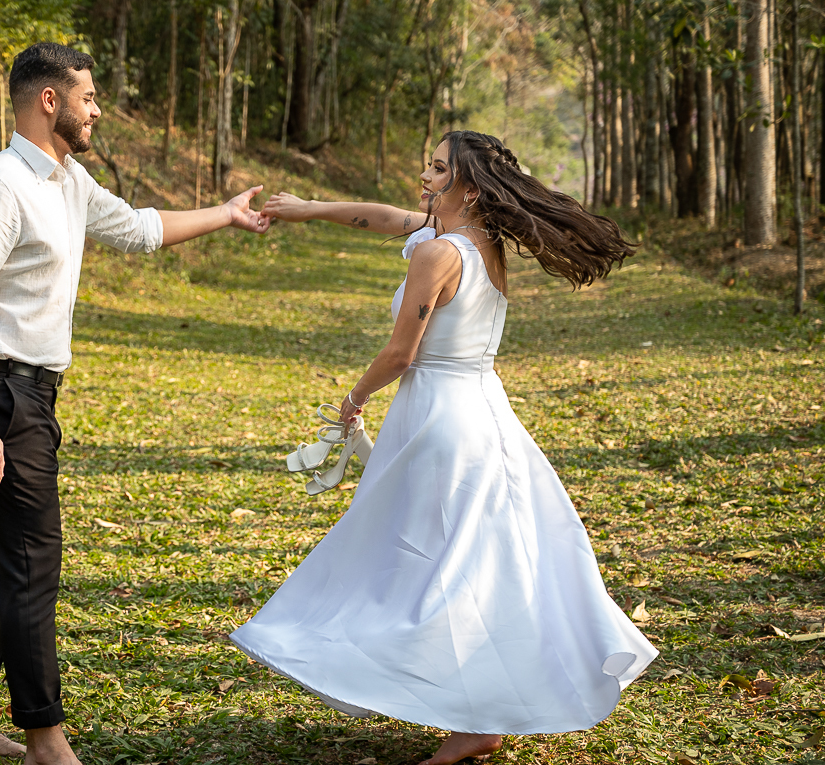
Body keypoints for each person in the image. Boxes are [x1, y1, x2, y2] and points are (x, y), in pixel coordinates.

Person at [234, 131, 656, 765]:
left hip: (443, 422)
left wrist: (352, 400)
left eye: (437, 169)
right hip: (481, 411)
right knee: (464, 561)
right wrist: (309, 209)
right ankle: (474, 718)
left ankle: (461, 710)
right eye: (427, 164)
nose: (424, 176)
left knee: (435, 564)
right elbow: (383, 218)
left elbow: (402, 352)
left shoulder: (437, 254)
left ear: (470, 187)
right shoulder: (480, 243)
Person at [0, 41, 270, 765]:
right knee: (30, 563)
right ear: (48, 100)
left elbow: (143, 229)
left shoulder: (67, 180)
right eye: (88, 96)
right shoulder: (1, 187)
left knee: (5, 559)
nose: (97, 109)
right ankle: (48, 740)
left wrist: (227, 214)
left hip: (33, 393)